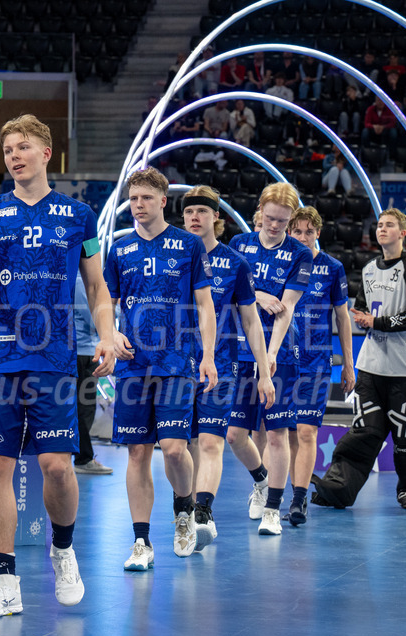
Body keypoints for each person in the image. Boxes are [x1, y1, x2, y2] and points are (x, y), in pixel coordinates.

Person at [0, 114, 116, 617]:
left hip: (56, 358)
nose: (14, 156)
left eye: (23, 148)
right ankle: (5, 583)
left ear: (46, 153)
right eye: (7, 151)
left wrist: (107, 333)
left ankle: (63, 551)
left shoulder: (80, 217)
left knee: (57, 467)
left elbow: (96, 285)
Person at [105, 167, 217, 570]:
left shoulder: (188, 245)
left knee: (173, 448)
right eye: (133, 198)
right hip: (133, 365)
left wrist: (207, 355)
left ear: (162, 201)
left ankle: (184, 511)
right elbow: (107, 302)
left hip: (177, 361)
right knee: (137, 451)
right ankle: (141, 542)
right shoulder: (119, 249)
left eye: (146, 198)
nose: (138, 205)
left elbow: (205, 305)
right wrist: (110, 335)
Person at [312, 209, 406, 511]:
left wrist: (377, 322)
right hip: (371, 367)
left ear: (403, 233)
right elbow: (361, 310)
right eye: (379, 225)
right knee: (363, 432)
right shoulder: (369, 269)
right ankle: (338, 488)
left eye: (389, 225)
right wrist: (364, 320)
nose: (382, 229)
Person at [181, 185, 274, 552]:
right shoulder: (172, 255)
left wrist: (264, 372)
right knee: (183, 445)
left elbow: (251, 323)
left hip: (221, 364)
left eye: (202, 211)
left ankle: (203, 511)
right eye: (189, 211)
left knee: (213, 441)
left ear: (216, 217)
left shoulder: (234, 262)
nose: (194, 217)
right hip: (175, 365)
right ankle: (260, 478)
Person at [225, 183, 313, 536]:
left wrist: (271, 356)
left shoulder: (299, 255)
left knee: (277, 434)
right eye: (271, 218)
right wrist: (258, 294)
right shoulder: (238, 245)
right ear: (260, 211)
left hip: (279, 356)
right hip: (240, 352)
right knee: (233, 435)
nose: (275, 226)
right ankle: (260, 480)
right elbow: (232, 296)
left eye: (283, 221)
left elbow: (287, 307)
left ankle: (274, 509)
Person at [286, 206, 354, 526]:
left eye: (308, 231)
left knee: (307, 431)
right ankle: (274, 491)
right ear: (288, 233)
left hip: (316, 362)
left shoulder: (332, 268)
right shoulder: (280, 264)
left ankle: (299, 500)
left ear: (318, 233)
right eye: (296, 231)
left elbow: (342, 318)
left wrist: (349, 366)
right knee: (285, 434)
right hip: (283, 360)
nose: (302, 237)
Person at [72, 273, 114, 475]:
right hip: (84, 352)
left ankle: (81, 455)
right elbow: (92, 318)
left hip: (84, 351)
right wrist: (109, 320)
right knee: (84, 408)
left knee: (83, 407)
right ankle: (83, 458)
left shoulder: (78, 279)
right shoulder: (81, 281)